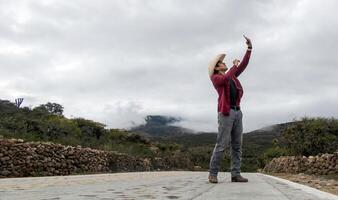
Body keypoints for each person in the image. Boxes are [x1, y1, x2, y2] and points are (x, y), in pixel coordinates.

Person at [207, 35, 252, 183]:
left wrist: (249, 49)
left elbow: (243, 66)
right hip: (226, 113)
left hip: (237, 112)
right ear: (217, 67)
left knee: (237, 145)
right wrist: (233, 67)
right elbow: (225, 78)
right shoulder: (216, 78)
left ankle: (235, 174)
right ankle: (213, 174)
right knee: (222, 144)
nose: (224, 63)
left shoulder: (232, 76)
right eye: (221, 63)